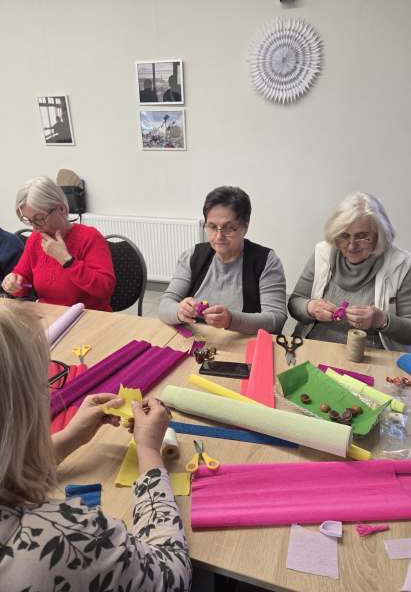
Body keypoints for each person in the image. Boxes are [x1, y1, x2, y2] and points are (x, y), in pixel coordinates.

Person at [0, 301, 191, 590]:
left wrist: (71, 436)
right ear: (21, 411)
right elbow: (171, 575)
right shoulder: (61, 539)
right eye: (44, 384)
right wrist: (149, 450)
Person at [288, 192, 411, 351]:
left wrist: (382, 320)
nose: (351, 246)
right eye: (343, 235)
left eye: (362, 236)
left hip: (372, 355)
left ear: (380, 235)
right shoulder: (323, 253)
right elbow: (295, 302)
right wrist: (310, 308)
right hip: (316, 346)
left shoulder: (401, 265)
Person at [159, 186, 287, 335]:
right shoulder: (193, 256)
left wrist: (231, 320)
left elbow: (275, 320)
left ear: (245, 227)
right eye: (212, 227)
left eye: (229, 228)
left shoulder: (265, 261)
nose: (219, 236)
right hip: (198, 339)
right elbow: (165, 305)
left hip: (242, 342)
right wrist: (179, 311)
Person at [2, 176, 116, 311]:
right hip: (49, 315)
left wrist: (67, 260)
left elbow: (105, 289)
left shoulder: (90, 237)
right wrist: (14, 284)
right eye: (30, 221)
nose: (35, 228)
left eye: (39, 219)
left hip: (88, 316)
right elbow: (24, 282)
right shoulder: (35, 239)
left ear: (61, 209)